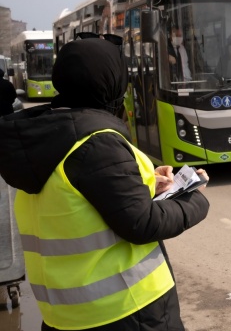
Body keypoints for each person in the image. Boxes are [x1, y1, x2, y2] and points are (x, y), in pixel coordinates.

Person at [0, 38, 210, 330]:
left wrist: (149, 185)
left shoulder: (44, 137)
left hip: (64, 316)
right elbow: (143, 223)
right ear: (111, 81)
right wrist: (195, 197)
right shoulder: (96, 143)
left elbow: (78, 205)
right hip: (127, 310)